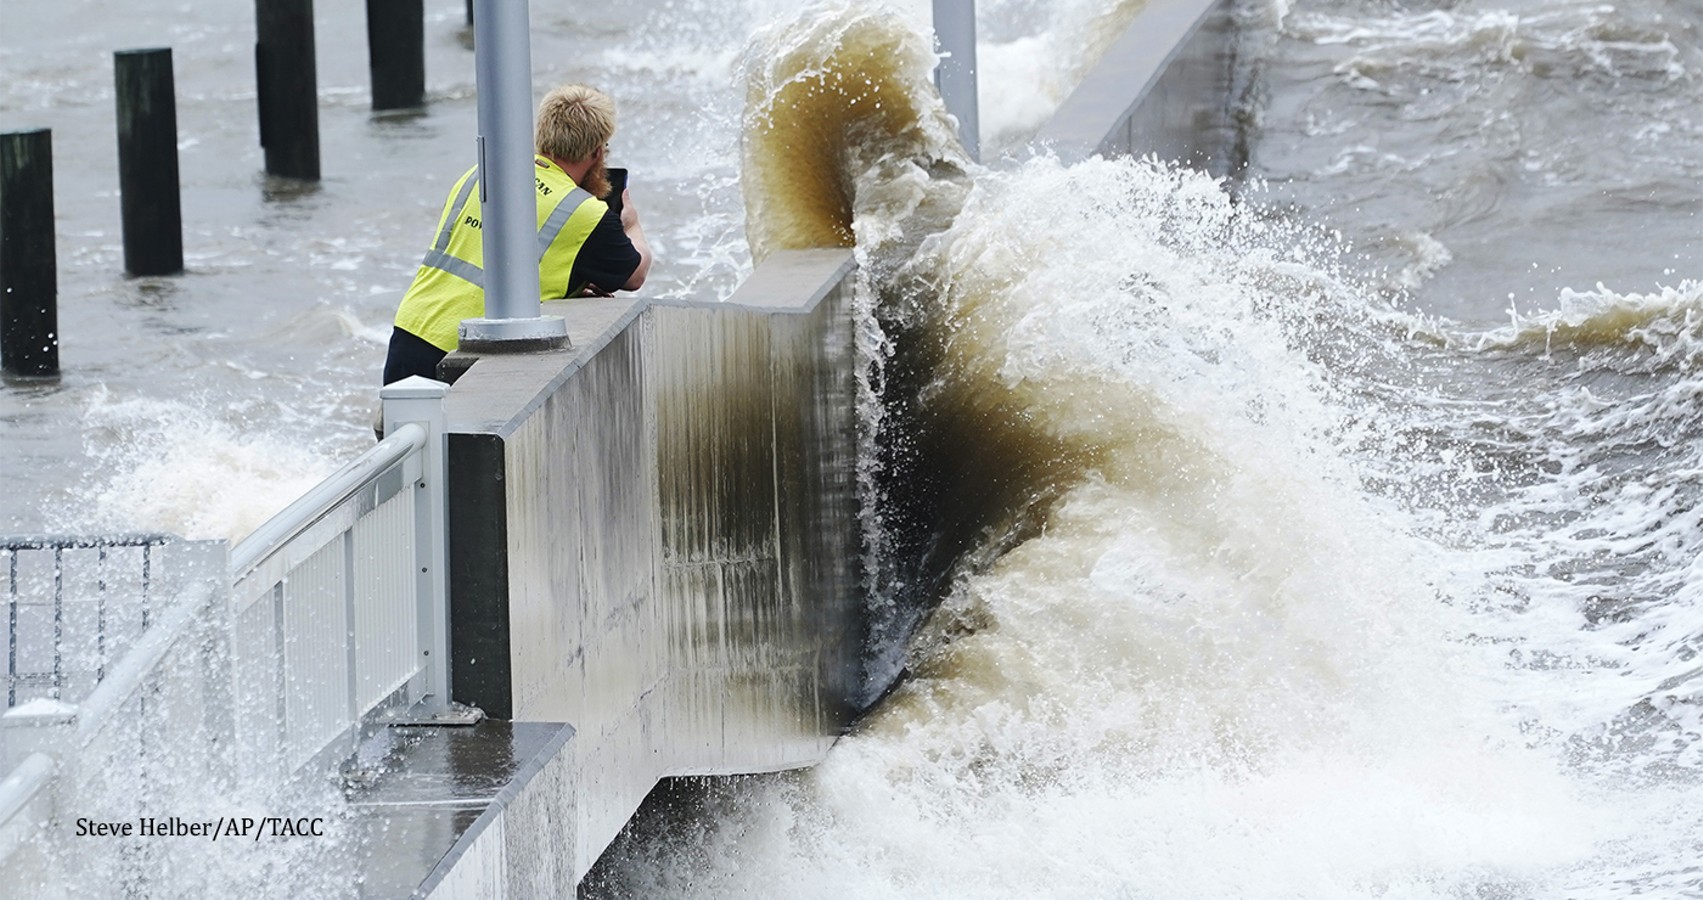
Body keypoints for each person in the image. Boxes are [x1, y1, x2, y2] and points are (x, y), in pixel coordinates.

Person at [383, 83, 653, 385]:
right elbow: (635, 274)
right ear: (596, 151)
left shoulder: (479, 174)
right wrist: (631, 224)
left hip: (412, 330)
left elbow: (486, 249)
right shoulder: (585, 212)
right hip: (473, 351)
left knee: (405, 433)